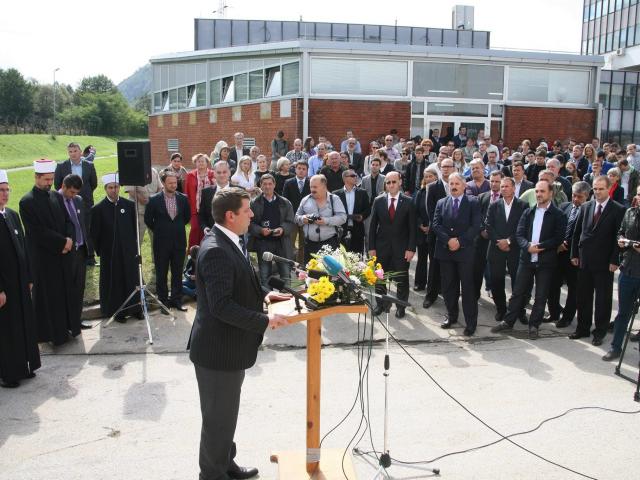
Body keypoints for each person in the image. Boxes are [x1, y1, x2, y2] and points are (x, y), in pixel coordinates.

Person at [187, 187, 289, 480]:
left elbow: (239, 285)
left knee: (225, 416)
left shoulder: (229, 240)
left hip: (228, 348)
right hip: (218, 351)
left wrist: (268, 296)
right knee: (217, 419)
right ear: (230, 216)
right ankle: (212, 474)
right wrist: (265, 320)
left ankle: (225, 464)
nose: (253, 215)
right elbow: (221, 307)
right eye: (247, 211)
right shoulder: (217, 249)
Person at [492, 180, 567, 339]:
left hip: (545, 261)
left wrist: (540, 246)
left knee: (540, 295)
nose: (539, 194)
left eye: (542, 191)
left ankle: (534, 325)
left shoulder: (558, 214)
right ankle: (509, 321)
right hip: (526, 259)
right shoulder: (529, 212)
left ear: (550, 193)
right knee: (518, 292)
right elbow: (519, 234)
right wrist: (527, 246)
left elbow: (559, 237)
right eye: (537, 192)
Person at [20, 160, 74, 345]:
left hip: (62, 255)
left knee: (63, 295)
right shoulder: (26, 202)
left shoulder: (56, 197)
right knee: (48, 297)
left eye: (51, 179)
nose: (49, 183)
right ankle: (50, 335)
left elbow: (67, 221)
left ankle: (67, 329)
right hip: (44, 259)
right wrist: (62, 242)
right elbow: (37, 232)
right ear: (36, 177)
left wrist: (69, 238)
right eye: (46, 179)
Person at [570, 176, 625, 346]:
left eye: (601, 188)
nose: (598, 192)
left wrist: (615, 260)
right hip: (584, 260)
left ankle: (599, 332)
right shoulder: (586, 207)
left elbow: (618, 237)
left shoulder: (618, 209)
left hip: (604, 262)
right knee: (583, 296)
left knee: (602, 299)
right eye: (595, 189)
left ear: (609, 189)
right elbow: (577, 233)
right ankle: (582, 328)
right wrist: (574, 254)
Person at [0, 169, 40, 388]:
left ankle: (26, 366)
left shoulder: (12, 215)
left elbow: (24, 249)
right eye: (1, 190)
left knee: (24, 325)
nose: (5, 194)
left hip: (20, 283)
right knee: (7, 330)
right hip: (4, 288)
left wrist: (29, 277)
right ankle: (9, 373)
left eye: (7, 190)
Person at [432, 173, 480, 335]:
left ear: (464, 185)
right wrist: (448, 241)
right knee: (448, 287)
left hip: (465, 252)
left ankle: (470, 322)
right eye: (451, 183)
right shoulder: (441, 202)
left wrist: (459, 241)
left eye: (457, 183)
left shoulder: (473, 202)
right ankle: (451, 316)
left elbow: (475, 226)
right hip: (445, 252)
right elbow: (436, 224)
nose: (453, 186)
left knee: (467, 288)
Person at [91, 173, 142, 322]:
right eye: (110, 187)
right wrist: (102, 251)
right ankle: (117, 311)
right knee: (115, 281)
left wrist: (133, 247)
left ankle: (135, 308)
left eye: (116, 187)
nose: (114, 190)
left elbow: (135, 228)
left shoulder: (128, 205)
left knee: (132, 279)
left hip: (129, 251)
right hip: (110, 253)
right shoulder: (98, 209)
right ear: (105, 189)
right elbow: (95, 234)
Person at [369, 171, 416, 318]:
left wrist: (411, 249)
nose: (391, 185)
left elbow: (413, 229)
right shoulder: (378, 200)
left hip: (401, 249)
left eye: (394, 182)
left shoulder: (408, 201)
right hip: (381, 247)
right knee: (380, 278)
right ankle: (380, 304)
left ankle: (401, 307)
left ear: (400, 182)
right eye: (388, 182)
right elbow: (372, 226)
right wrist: (371, 248)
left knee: (402, 279)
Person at [145, 171, 191, 312]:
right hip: (161, 242)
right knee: (161, 273)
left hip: (179, 242)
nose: (173, 185)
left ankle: (176, 300)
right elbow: (148, 220)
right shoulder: (154, 200)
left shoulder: (183, 199)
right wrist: (161, 230)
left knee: (177, 272)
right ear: (163, 183)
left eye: (175, 183)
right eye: (170, 183)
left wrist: (174, 228)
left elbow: (186, 218)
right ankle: (164, 302)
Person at [484, 176, 528, 322]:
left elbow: (524, 228)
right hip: (496, 249)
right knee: (497, 281)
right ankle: (501, 309)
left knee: (518, 281)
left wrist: (509, 241)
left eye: (507, 186)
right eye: (502, 187)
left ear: (514, 188)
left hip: (515, 250)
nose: (503, 189)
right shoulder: (494, 205)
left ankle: (519, 310)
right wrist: (500, 242)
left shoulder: (523, 205)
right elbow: (488, 226)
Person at [604, 185, 640, 360]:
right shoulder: (630, 212)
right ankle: (615, 347)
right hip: (628, 269)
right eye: (639, 194)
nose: (639, 198)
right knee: (623, 312)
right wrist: (622, 241)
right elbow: (621, 233)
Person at [547, 181, 590, 328]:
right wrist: (557, 243)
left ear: (587, 196)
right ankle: (553, 312)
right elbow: (556, 227)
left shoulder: (589, 211)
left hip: (575, 256)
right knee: (553, 284)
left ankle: (567, 317)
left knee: (573, 288)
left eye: (579, 197)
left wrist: (566, 244)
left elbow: (585, 233)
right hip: (557, 253)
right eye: (574, 196)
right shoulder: (564, 206)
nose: (576, 199)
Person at [54, 142, 98, 265]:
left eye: (75, 151)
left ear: (80, 152)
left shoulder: (89, 165)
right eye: (70, 152)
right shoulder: (62, 166)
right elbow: (58, 185)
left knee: (88, 227)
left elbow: (93, 183)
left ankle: (90, 255)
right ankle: (74, 253)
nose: (73, 154)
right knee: (73, 227)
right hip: (68, 203)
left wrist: (84, 193)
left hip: (86, 202)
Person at [248, 174, 295, 286]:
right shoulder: (254, 203)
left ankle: (287, 299)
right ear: (260, 186)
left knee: (285, 275)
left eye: (270, 184)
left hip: (281, 243)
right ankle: (268, 299)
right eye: (264, 184)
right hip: (263, 243)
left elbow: (290, 222)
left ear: (274, 185)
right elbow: (250, 223)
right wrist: (260, 230)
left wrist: (282, 229)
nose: (267, 187)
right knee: (265, 276)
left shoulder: (285, 202)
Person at [58, 174, 90, 332]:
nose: (73, 196)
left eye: (76, 192)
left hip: (80, 250)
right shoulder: (54, 201)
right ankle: (66, 323)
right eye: (71, 192)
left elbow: (81, 224)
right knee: (67, 289)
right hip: (65, 253)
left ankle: (77, 320)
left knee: (79, 288)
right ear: (63, 186)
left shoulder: (78, 200)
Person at [295, 174, 347, 264]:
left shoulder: (334, 199)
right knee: (310, 275)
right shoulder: (305, 200)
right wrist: (303, 218)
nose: (312, 190)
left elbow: (343, 218)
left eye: (315, 187)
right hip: (309, 245)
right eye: (311, 187)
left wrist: (326, 221)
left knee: (328, 274)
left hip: (329, 244)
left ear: (324, 187)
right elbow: (296, 217)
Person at [473, 171, 503, 300]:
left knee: (495, 272)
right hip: (481, 240)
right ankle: (474, 295)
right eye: (492, 181)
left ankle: (497, 298)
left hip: (497, 241)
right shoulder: (481, 197)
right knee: (477, 269)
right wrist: (481, 230)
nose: (494, 184)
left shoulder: (506, 198)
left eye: (497, 181)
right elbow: (476, 216)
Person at [413, 165, 439, 292]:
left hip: (435, 231)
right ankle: (419, 283)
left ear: (436, 177)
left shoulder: (440, 192)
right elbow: (415, 211)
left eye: (431, 176)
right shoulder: (420, 192)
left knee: (434, 260)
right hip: (422, 231)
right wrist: (420, 225)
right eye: (426, 177)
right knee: (422, 258)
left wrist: (432, 227)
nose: (428, 179)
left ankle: (434, 286)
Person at [334, 169, 370, 255]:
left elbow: (368, 209)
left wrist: (362, 216)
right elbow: (333, 210)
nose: (356, 177)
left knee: (357, 257)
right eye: (353, 176)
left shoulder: (362, 193)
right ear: (345, 178)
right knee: (341, 257)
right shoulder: (336, 194)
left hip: (357, 229)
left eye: (356, 175)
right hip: (341, 230)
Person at [124, 167, 163, 245]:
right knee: (137, 240)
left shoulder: (153, 171)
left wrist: (155, 199)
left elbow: (160, 187)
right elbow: (130, 190)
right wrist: (140, 198)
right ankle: (135, 257)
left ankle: (156, 257)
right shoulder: (131, 171)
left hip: (153, 213)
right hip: (139, 212)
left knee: (156, 241)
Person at [282, 161, 310, 264]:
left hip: (306, 218)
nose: (301, 171)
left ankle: (301, 263)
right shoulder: (289, 182)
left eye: (304, 169)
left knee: (303, 242)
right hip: (292, 217)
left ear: (307, 171)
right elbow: (285, 200)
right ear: (295, 169)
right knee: (290, 242)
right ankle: (290, 263)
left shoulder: (310, 182)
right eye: (299, 168)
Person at [185, 153, 215, 248]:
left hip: (209, 208)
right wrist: (188, 207)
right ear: (195, 163)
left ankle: (204, 250)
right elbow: (187, 192)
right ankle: (192, 252)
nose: (201, 163)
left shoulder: (212, 174)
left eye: (203, 161)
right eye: (198, 161)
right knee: (194, 229)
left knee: (206, 229)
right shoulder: (190, 175)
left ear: (207, 163)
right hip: (195, 208)